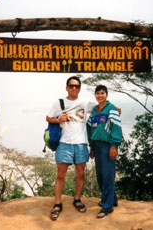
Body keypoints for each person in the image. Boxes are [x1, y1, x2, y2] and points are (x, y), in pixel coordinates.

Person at [46, 76, 96, 221]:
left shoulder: (86, 103)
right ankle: (57, 203)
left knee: (80, 174)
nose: (74, 88)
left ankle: (77, 199)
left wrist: (113, 109)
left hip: (81, 143)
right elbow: (48, 117)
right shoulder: (59, 103)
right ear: (67, 87)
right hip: (64, 143)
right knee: (61, 174)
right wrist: (58, 119)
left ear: (79, 88)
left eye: (77, 86)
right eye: (71, 86)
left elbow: (101, 104)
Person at [87, 85, 123, 219]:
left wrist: (114, 145)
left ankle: (107, 207)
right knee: (101, 176)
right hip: (97, 146)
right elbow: (90, 128)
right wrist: (92, 147)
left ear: (106, 94)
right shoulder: (95, 110)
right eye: (97, 93)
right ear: (95, 95)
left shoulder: (111, 108)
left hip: (108, 146)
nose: (100, 95)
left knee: (108, 175)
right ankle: (112, 200)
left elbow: (116, 128)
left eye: (102, 93)